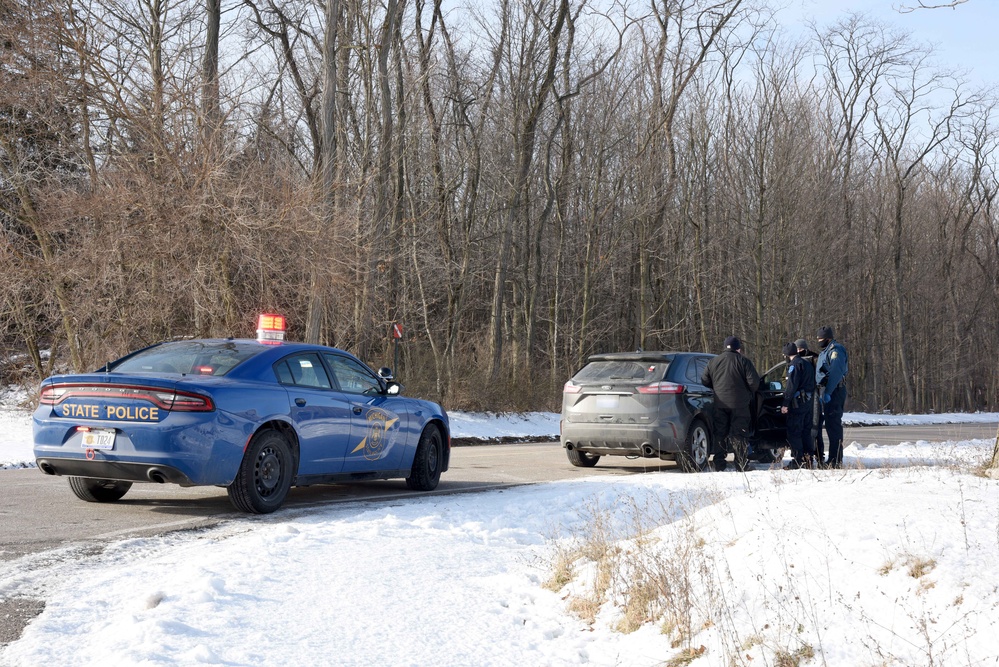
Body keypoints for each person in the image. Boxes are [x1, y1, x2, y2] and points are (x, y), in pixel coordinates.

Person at [701, 336, 761, 471]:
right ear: (738, 348)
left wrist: (716, 387)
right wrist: (747, 392)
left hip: (719, 403)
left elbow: (704, 380)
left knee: (720, 434)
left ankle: (719, 464)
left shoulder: (713, 361)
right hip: (740, 405)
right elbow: (754, 383)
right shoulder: (744, 361)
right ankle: (741, 464)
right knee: (739, 435)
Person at [815, 326, 848, 468]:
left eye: (821, 339)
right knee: (829, 425)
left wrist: (828, 391)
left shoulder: (835, 350)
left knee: (833, 425)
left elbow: (835, 372)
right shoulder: (825, 352)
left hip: (835, 390)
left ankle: (836, 460)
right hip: (828, 390)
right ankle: (833, 458)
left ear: (828, 338)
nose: (819, 341)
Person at [780, 342, 816, 469]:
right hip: (808, 403)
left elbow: (791, 386)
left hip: (797, 404)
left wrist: (785, 403)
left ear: (786, 354)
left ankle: (797, 460)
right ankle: (808, 459)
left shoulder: (794, 365)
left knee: (794, 432)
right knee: (806, 432)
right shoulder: (807, 364)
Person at [795, 338, 824, 466]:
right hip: (803, 399)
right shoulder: (794, 361)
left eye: (800, 349)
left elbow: (820, 377)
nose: (798, 351)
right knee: (806, 429)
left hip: (815, 396)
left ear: (805, 348)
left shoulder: (815, 359)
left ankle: (819, 456)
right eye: (796, 349)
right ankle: (807, 456)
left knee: (815, 428)